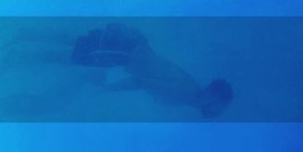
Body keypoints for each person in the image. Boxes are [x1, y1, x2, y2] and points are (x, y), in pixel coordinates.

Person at [71, 22, 234, 118]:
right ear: (213, 96)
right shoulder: (186, 94)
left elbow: (146, 78)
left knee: (71, 48)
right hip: (126, 52)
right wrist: (106, 90)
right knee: (69, 55)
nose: (220, 113)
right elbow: (140, 82)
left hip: (128, 50)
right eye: (221, 106)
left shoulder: (189, 93)